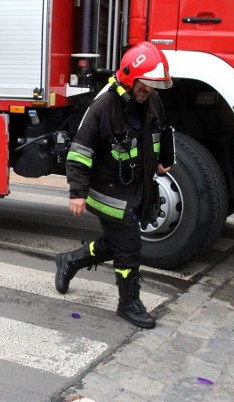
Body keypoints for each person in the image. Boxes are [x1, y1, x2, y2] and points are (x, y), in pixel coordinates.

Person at [56, 42, 175, 329]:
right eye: (145, 86)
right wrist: (77, 193)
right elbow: (80, 151)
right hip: (109, 190)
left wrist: (165, 159)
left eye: (153, 87)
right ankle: (128, 303)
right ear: (129, 79)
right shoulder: (104, 107)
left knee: (118, 243)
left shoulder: (151, 101)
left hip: (138, 187)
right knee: (130, 247)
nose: (149, 92)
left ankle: (70, 260)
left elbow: (161, 131)